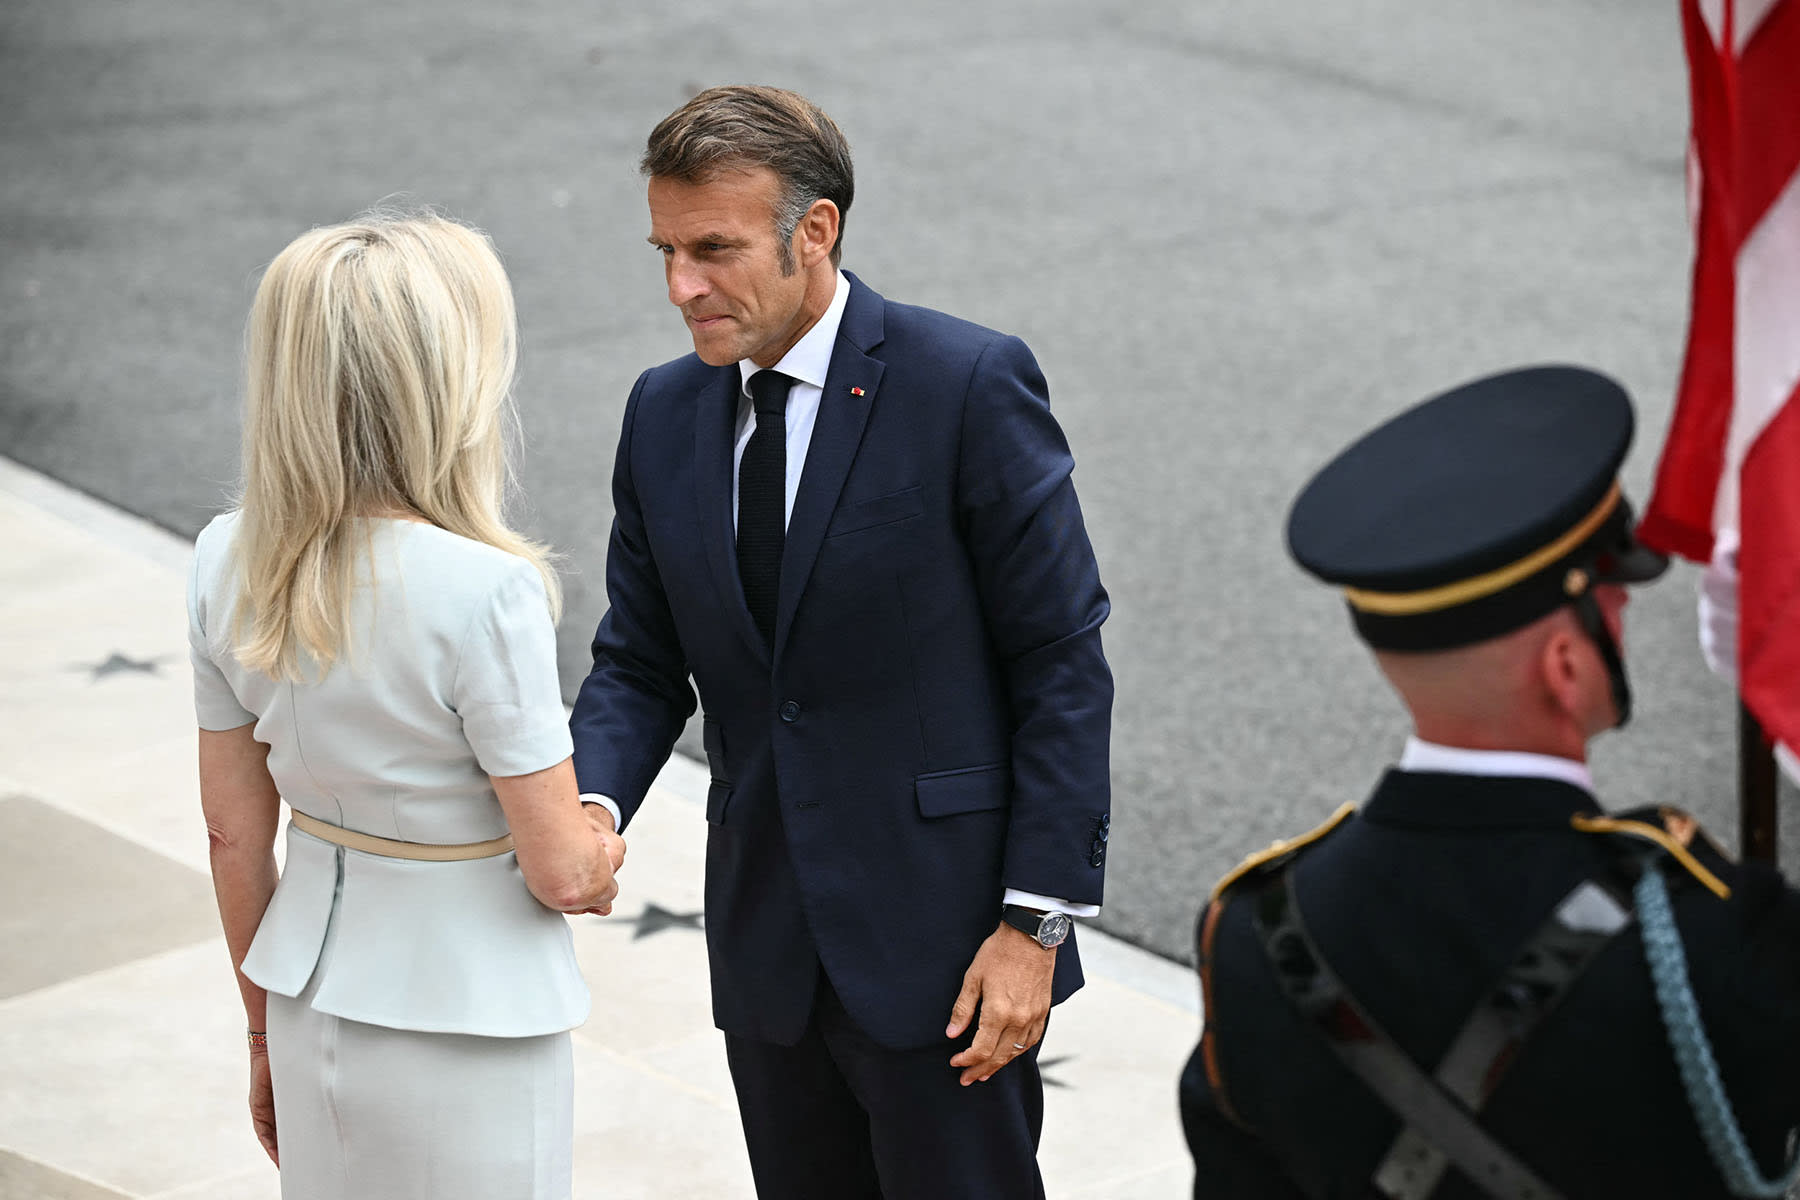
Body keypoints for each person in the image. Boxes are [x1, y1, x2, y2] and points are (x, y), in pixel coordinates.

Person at [568, 85, 1113, 1199]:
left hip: (951, 959)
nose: (682, 286)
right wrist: (591, 804)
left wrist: (1036, 927)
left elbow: (1060, 664)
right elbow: (637, 656)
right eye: (667, 250)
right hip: (769, 951)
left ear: (813, 232)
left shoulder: (965, 384)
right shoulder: (663, 413)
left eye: (713, 249)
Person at [1178, 365, 1800, 1199]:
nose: (1625, 614)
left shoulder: (1250, 938)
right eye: (1613, 600)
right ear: (1565, 663)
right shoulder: (1706, 936)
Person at [190, 211, 624, 1200]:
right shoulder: (487, 592)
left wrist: (260, 1026)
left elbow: (230, 832)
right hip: (476, 1019)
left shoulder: (224, 558)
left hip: (307, 995)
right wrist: (600, 844)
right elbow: (561, 868)